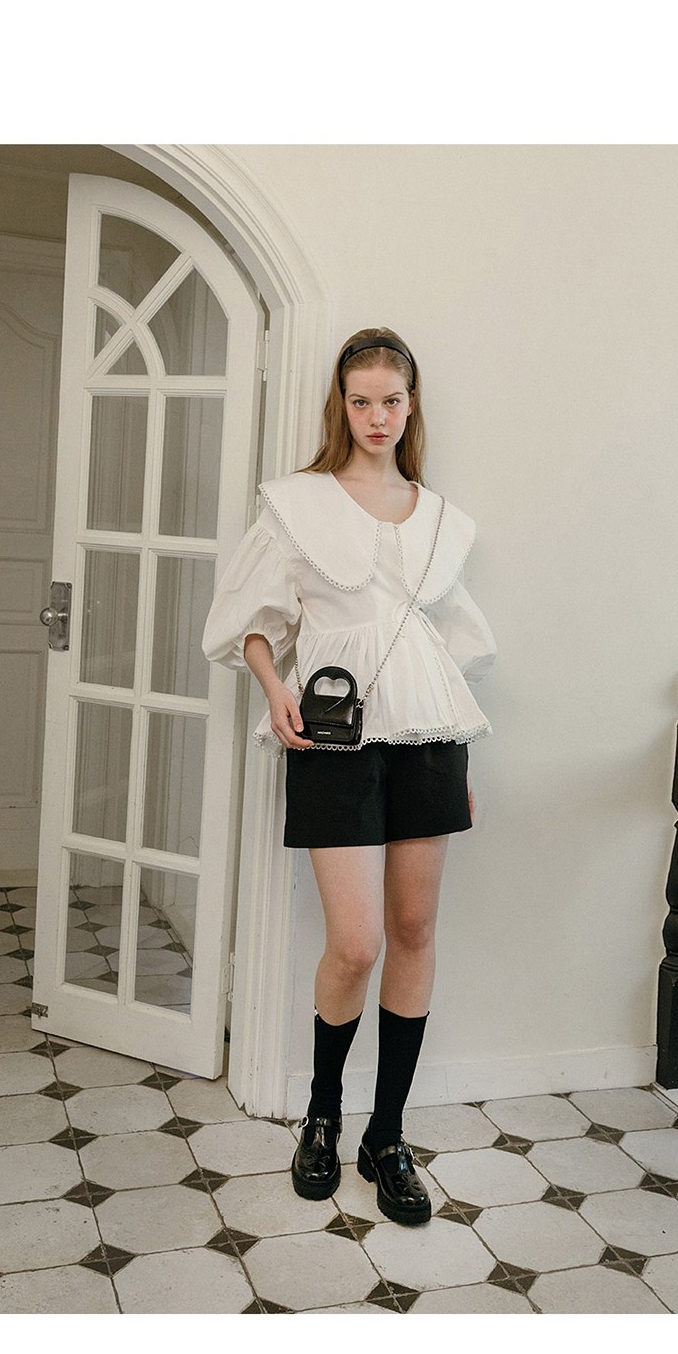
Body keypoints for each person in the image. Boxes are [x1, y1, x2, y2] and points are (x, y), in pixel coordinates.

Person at [202, 327, 495, 1222]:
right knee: (357, 942)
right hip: (335, 739)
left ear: (411, 406)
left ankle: (387, 1135)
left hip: (431, 739)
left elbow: (449, 644)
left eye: (391, 400)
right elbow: (251, 622)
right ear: (342, 405)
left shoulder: (439, 517)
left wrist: (459, 757)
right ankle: (323, 1116)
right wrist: (274, 689)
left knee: (413, 928)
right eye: (361, 400)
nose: (376, 416)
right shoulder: (298, 504)